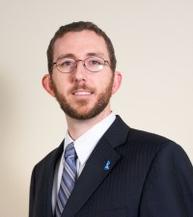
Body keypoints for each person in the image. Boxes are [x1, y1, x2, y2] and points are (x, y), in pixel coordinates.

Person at [29, 21, 193, 217]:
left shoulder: (159, 156)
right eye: (66, 63)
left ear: (115, 82)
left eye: (94, 62)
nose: (80, 75)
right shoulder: (41, 172)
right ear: (50, 85)